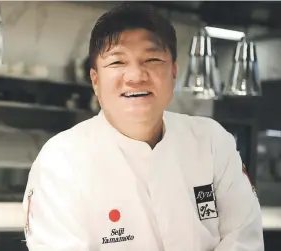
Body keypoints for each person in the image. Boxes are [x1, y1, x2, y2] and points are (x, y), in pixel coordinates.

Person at [22, 3, 264, 251]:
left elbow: (244, 238)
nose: (136, 76)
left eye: (152, 59)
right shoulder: (61, 160)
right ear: (95, 80)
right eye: (117, 62)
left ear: (173, 72)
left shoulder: (211, 142)